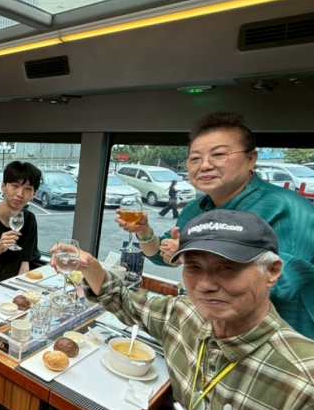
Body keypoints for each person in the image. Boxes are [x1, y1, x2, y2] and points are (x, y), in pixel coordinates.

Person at [46, 210, 313, 410]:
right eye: (194, 267)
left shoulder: (303, 377)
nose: (205, 284)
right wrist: (90, 266)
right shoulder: (186, 315)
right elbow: (124, 301)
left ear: (271, 271)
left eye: (227, 268)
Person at [118, 112, 314, 339]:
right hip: (212, 329)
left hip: (278, 338)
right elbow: (164, 255)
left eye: (219, 155)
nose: (204, 165)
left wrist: (194, 254)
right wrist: (144, 232)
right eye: (195, 158)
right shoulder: (196, 208)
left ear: (251, 159)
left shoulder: (287, 208)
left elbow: (281, 285)